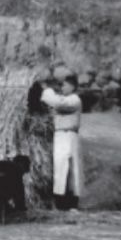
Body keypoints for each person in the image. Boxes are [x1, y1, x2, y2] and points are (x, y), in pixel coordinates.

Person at [41, 73, 84, 211]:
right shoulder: (66, 99)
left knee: (70, 168)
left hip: (69, 135)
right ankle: (61, 202)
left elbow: (59, 104)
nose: (62, 88)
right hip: (60, 135)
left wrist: (47, 90)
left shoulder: (74, 99)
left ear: (72, 86)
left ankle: (71, 202)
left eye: (64, 85)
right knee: (60, 168)